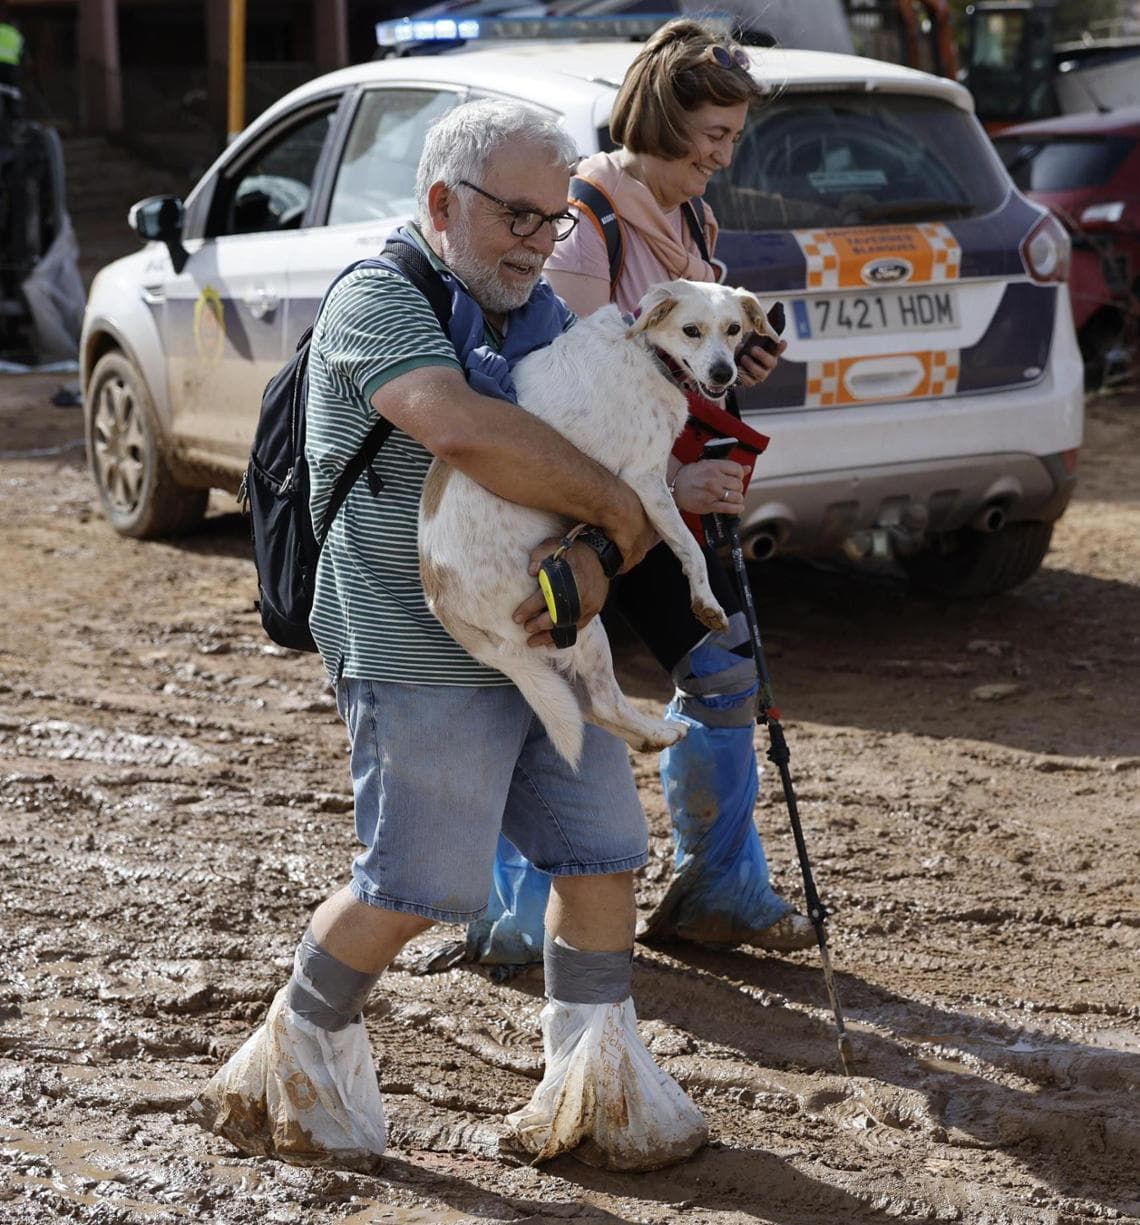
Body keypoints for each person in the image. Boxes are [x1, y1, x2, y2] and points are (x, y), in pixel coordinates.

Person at [190, 98, 707, 1173]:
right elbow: (463, 428)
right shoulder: (380, 300)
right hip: (415, 646)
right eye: (518, 216)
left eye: (556, 221)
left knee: (604, 854)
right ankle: (287, 1055)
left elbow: (592, 474)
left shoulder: (539, 322)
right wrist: (618, 511)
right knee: (415, 885)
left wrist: (605, 551)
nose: (540, 242)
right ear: (442, 203)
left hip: (542, 643)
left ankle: (598, 1084)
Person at [458, 19, 815, 971]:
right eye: (713, 137)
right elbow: (557, 408)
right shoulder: (591, 225)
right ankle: (516, 917)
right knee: (542, 692)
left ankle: (716, 891)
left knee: (726, 672)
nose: (725, 156)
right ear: (661, 120)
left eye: (734, 138)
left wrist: (733, 358)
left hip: (665, 503)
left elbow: (667, 372)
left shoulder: (692, 220)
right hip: (582, 512)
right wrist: (672, 479)